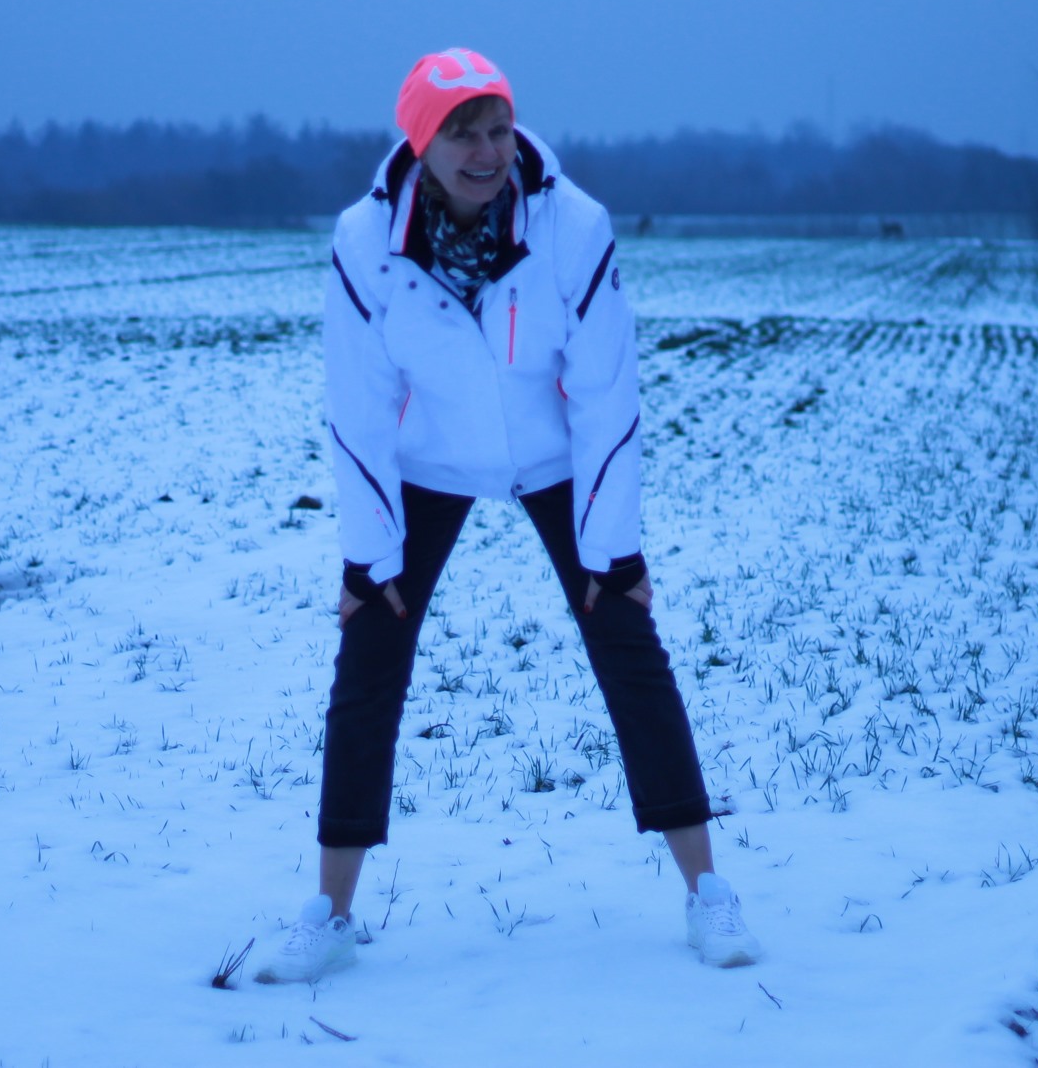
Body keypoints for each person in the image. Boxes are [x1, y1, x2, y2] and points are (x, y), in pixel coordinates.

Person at [254, 48, 760, 982]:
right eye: (462, 134)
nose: (488, 151)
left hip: (557, 454)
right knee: (369, 653)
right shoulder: (363, 244)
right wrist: (368, 560)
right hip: (428, 461)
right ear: (422, 140)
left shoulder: (574, 226)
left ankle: (708, 894)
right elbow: (357, 407)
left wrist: (612, 551)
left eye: (497, 129)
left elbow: (606, 393)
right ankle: (329, 913)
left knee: (629, 641)